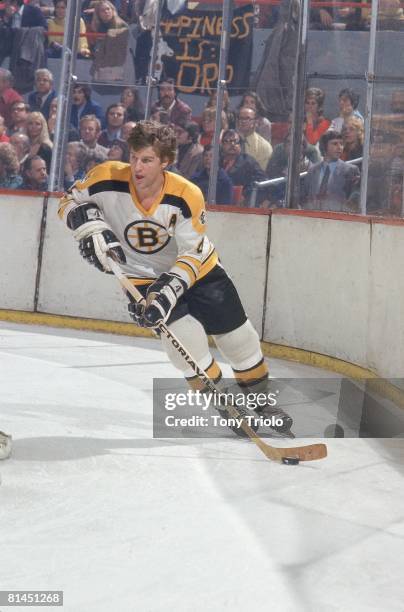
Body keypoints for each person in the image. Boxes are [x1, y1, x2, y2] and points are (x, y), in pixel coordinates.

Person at [58, 120, 293, 436]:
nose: (137, 167)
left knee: (239, 339)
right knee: (184, 342)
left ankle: (262, 401)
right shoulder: (106, 176)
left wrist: (167, 292)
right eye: (134, 157)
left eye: (147, 160)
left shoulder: (186, 194)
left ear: (166, 162)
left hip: (198, 269)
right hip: (138, 274)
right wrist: (85, 224)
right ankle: (226, 405)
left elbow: (191, 254)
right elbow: (68, 201)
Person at [301, 130, 360, 211]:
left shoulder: (351, 170)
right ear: (325, 146)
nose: (339, 147)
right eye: (335, 144)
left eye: (341, 144)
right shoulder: (312, 170)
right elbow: (304, 196)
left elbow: (354, 199)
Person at [220, 128, 267, 205]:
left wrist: (245, 195)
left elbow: (262, 181)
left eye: (235, 141)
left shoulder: (249, 162)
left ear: (241, 145)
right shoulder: (217, 162)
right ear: (222, 144)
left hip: (242, 206)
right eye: (227, 141)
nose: (232, 144)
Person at [236, 106, 273, 171]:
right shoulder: (228, 140)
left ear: (255, 122)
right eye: (241, 118)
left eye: (248, 118)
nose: (243, 121)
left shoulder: (264, 147)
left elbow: (261, 174)